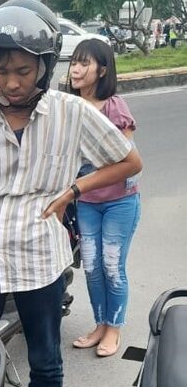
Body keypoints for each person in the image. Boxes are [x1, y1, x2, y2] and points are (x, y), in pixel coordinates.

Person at [0, 0, 143, 387]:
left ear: (44, 67)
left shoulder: (71, 113)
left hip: (41, 256)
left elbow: (129, 161)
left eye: (22, 71)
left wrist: (74, 189)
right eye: (1, 71)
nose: (12, 83)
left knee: (47, 363)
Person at [67, 39, 141, 357]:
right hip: (86, 202)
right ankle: (100, 325)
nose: (76, 69)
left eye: (85, 63)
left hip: (119, 201)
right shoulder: (67, 107)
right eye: (74, 62)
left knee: (112, 265)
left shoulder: (114, 106)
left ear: (102, 70)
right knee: (93, 266)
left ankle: (114, 328)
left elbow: (124, 159)